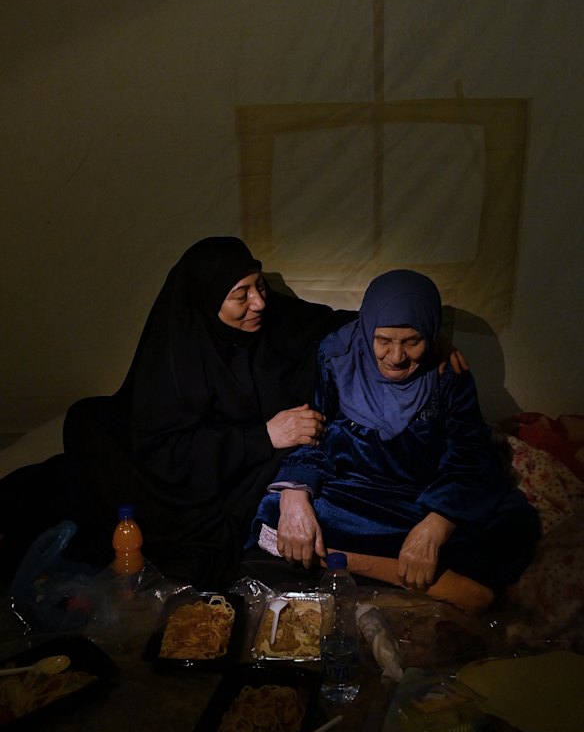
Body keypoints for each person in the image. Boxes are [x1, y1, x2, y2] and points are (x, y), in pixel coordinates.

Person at [0, 240, 465, 589]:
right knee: (62, 482)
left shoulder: (274, 318)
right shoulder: (178, 352)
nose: (259, 302)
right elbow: (169, 452)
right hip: (181, 474)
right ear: (207, 301)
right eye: (240, 295)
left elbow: (351, 323)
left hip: (247, 468)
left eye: (259, 285)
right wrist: (265, 436)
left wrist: (426, 338)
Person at [250, 269, 541, 612]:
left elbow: (471, 451)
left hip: (420, 499)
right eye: (384, 340)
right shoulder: (336, 358)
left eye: (412, 341)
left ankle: (347, 561)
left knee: (516, 522)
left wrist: (436, 526)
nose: (396, 356)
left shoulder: (447, 374)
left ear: (431, 334)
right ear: (367, 327)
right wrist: (295, 494)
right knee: (273, 511)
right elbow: (309, 432)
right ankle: (413, 575)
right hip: (352, 496)